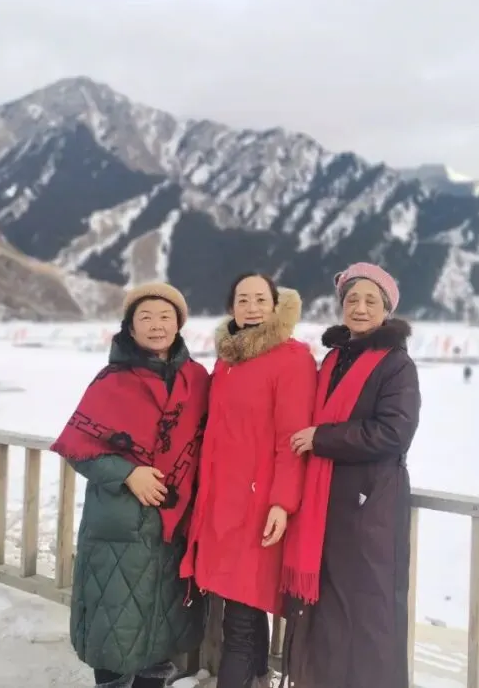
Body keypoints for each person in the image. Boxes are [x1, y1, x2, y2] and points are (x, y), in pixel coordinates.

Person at [50, 282, 210, 688]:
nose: (157, 325)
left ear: (179, 324)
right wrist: (127, 473)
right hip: (120, 526)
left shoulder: (196, 380)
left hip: (175, 527)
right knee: (114, 630)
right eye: (146, 317)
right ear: (131, 326)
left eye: (166, 317)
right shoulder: (113, 381)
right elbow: (78, 448)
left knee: (160, 633)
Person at [283, 261, 421, 688]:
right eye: (352, 300)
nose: (360, 308)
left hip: (369, 509)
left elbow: (394, 432)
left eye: (371, 301)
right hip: (327, 503)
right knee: (327, 610)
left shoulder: (396, 365)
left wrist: (322, 438)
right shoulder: (335, 358)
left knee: (368, 614)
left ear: (387, 309)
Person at [181, 272, 317, 688]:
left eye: (261, 299)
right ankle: (258, 677)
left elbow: (292, 439)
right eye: (243, 299)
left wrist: (282, 502)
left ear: (275, 306)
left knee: (240, 614)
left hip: (257, 507)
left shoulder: (292, 358)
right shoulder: (228, 359)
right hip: (221, 504)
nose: (252, 307)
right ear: (231, 308)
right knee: (242, 604)